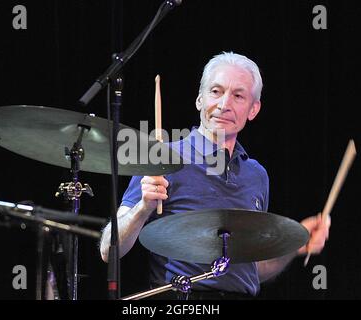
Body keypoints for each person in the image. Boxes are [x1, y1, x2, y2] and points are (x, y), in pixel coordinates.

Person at [100, 52, 331, 299]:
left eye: (238, 96)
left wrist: (295, 247)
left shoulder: (256, 175)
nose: (224, 105)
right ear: (200, 100)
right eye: (216, 92)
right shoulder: (162, 158)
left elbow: (249, 269)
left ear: (253, 109)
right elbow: (108, 249)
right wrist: (143, 208)